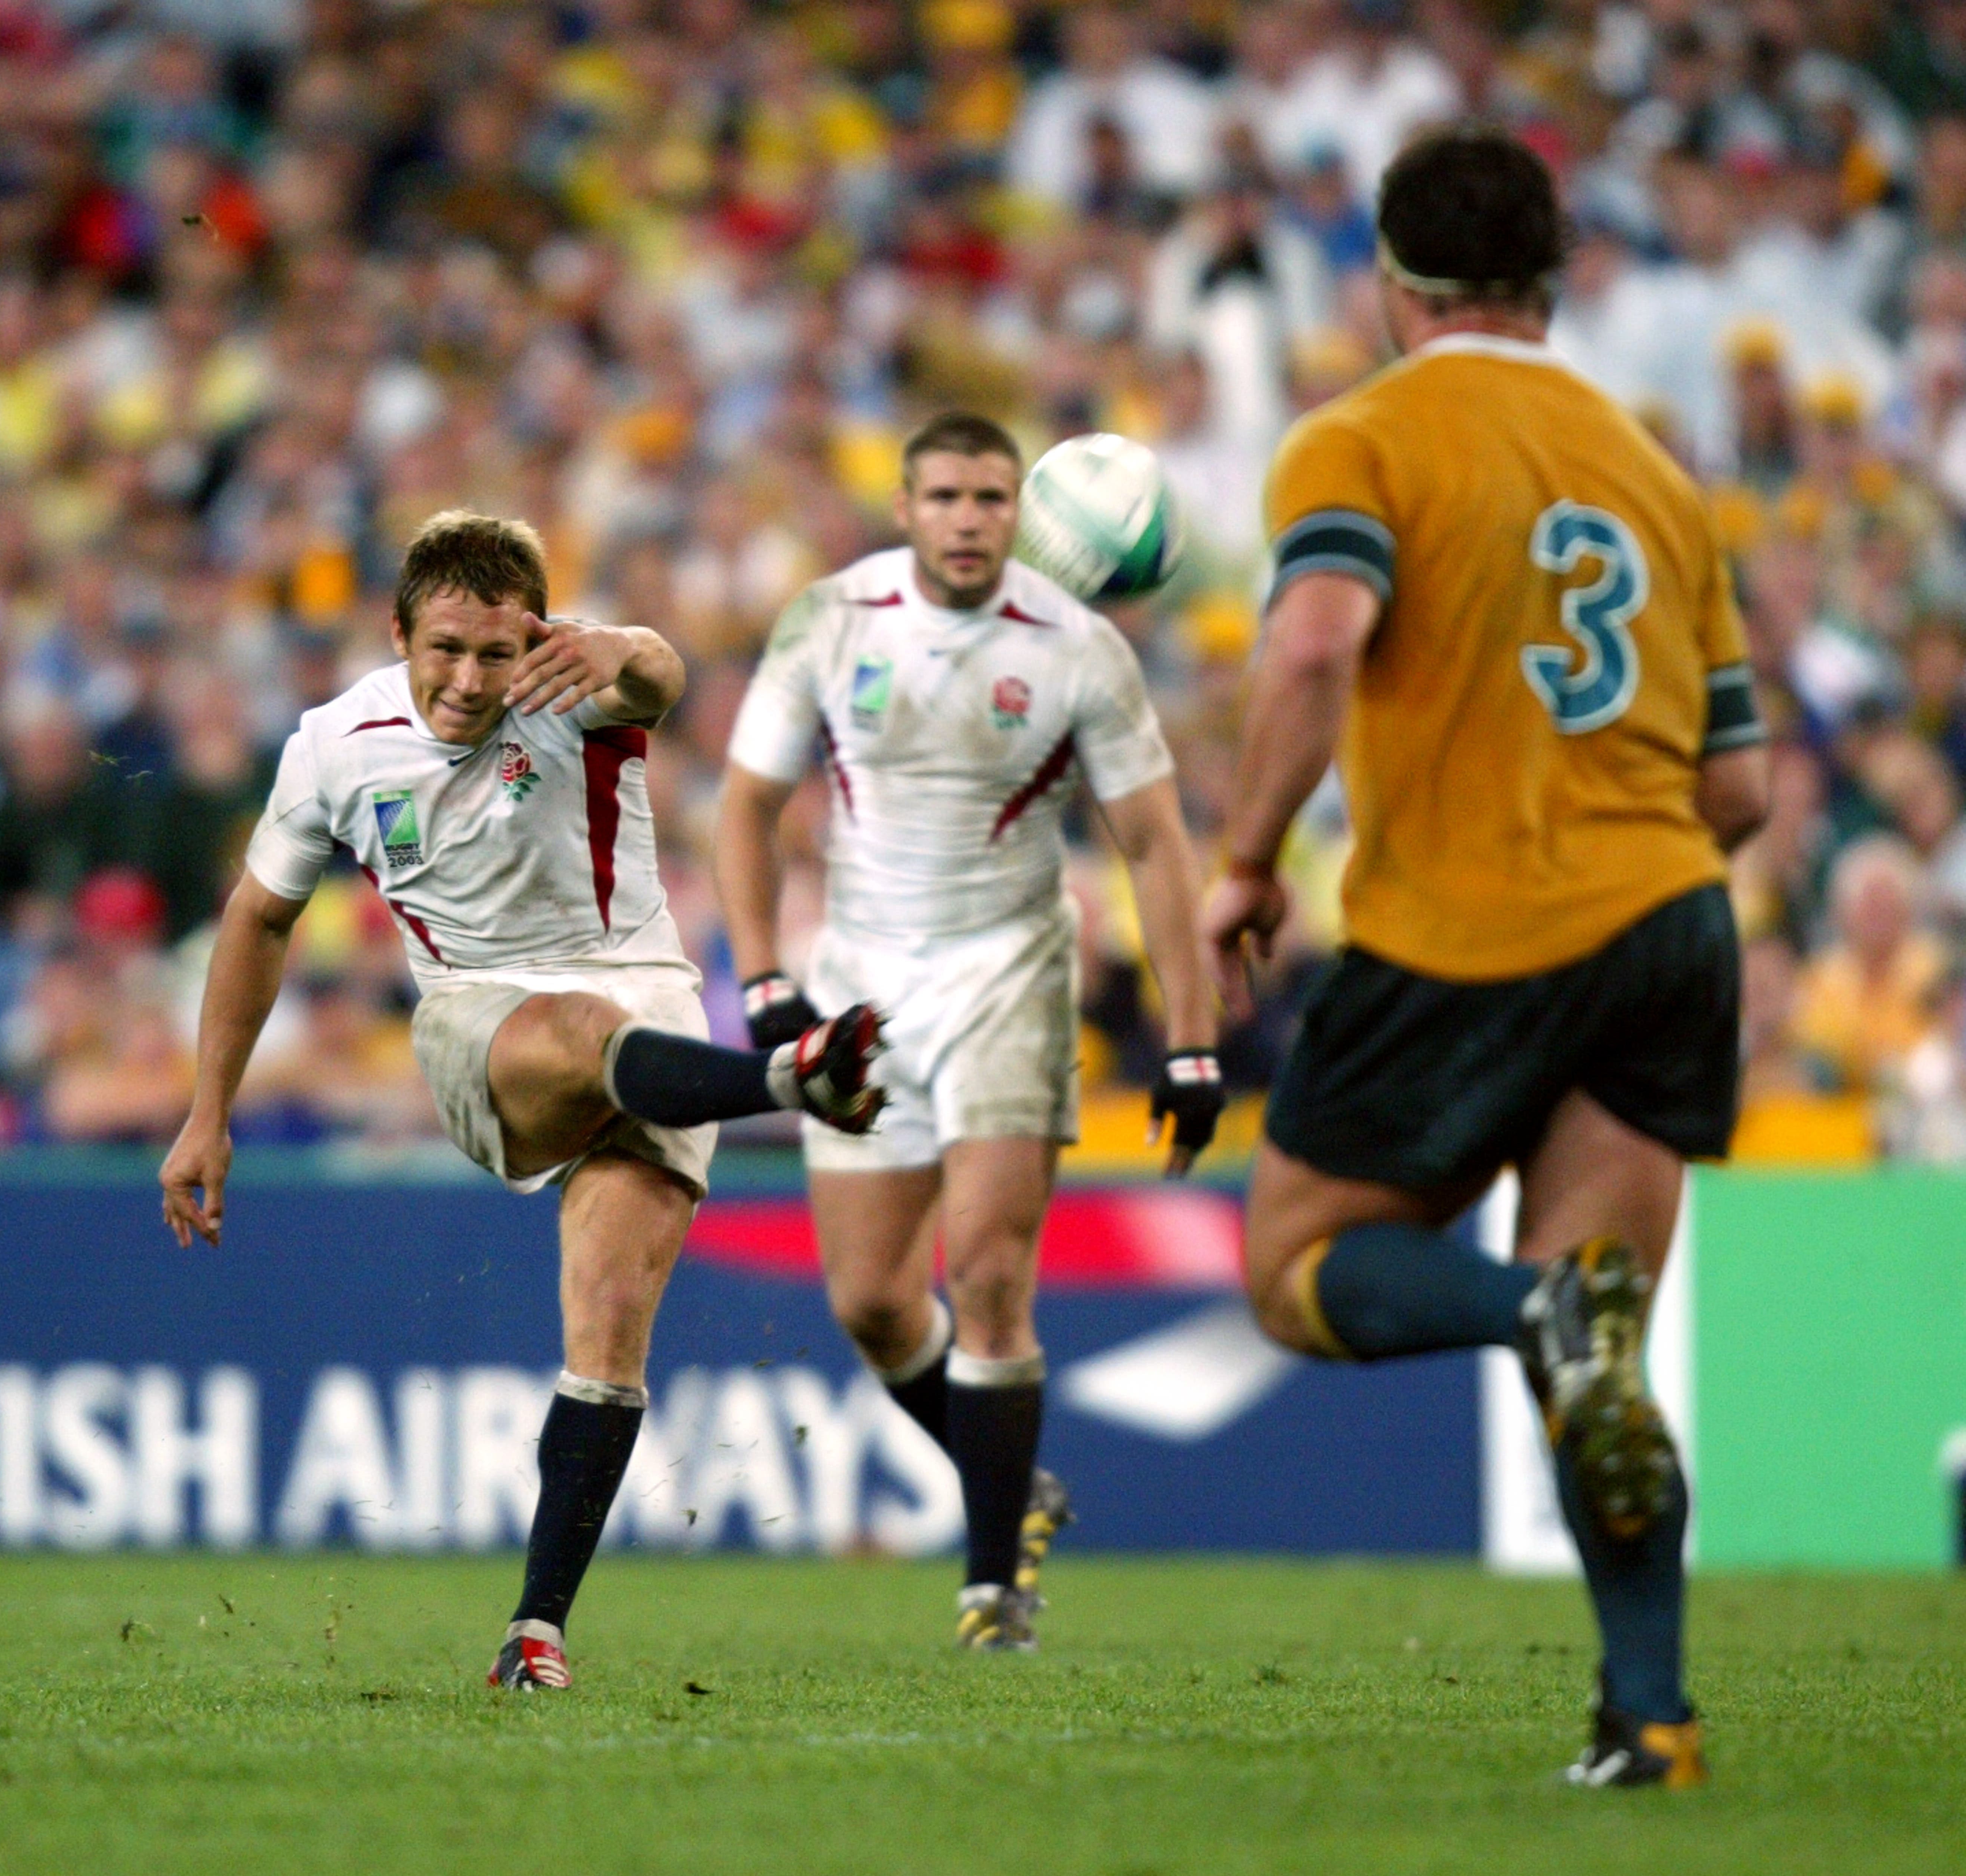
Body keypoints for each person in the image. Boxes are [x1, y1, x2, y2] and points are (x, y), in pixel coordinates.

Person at [1197, 130, 1772, 1789]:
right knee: (1611, 1340)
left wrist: (1245, 864)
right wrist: (1632, 894)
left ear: (1393, 287)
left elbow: (1314, 636)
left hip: (1469, 923)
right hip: (1671, 921)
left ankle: (1530, 1310)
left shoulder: (1362, 436)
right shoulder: (1656, 473)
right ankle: (1650, 1713)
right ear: (1552, 284)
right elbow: (1737, 786)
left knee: (1298, 1265)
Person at [160, 510, 886, 1693]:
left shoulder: (582, 687)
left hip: (640, 997)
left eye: (495, 654)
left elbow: (658, 669)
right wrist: (208, 1112)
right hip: (478, 1021)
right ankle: (787, 1082)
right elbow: (257, 918)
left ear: (535, 640)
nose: (466, 680)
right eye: (442, 649)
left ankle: (535, 1633)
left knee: (607, 1330)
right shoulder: (335, 746)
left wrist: (626, 647)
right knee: (586, 1035)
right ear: (397, 633)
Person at [715, 412, 1223, 1652]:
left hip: (1009, 978)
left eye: (989, 499)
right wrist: (768, 978)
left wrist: (1192, 1039)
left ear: (1020, 515)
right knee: (874, 1302)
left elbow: (1153, 843)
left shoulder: (1079, 651)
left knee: (991, 1274)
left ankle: (993, 1586)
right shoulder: (831, 620)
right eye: (941, 496)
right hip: (860, 993)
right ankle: (1014, 1484)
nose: (964, 518)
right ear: (904, 506)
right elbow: (744, 805)